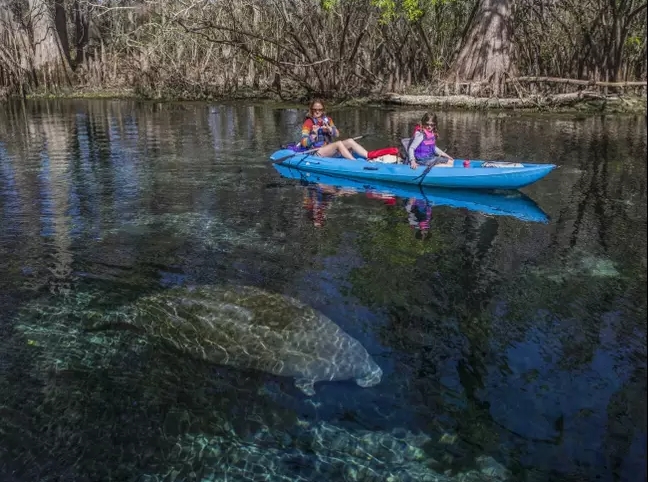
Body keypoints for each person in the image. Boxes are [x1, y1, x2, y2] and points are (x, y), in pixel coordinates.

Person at [300, 99, 369, 160]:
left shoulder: (328, 120)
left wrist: (330, 130)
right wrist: (313, 135)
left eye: (320, 110)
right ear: (311, 110)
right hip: (316, 151)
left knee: (350, 141)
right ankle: (354, 162)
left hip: (328, 148)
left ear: (323, 110)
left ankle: (369, 156)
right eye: (314, 110)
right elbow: (304, 142)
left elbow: (337, 134)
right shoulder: (308, 122)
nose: (317, 112)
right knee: (338, 143)